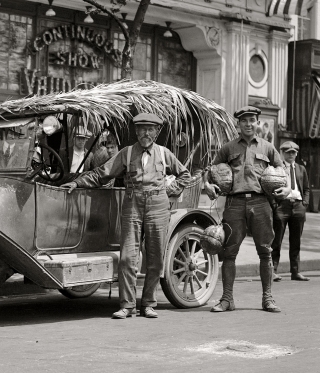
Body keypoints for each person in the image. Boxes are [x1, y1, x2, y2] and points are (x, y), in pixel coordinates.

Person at [62, 113, 191, 319]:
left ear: (156, 132)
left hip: (158, 206)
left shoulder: (164, 153)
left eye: (150, 129)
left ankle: (148, 303)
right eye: (141, 129)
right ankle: (127, 305)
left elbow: (185, 174)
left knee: (155, 257)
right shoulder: (127, 153)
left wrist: (169, 190)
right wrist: (78, 182)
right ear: (136, 132)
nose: (145, 133)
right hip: (132, 204)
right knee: (127, 258)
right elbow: (102, 173)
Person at [203, 106, 287, 313]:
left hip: (261, 203)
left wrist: (285, 189)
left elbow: (282, 171)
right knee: (229, 253)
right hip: (234, 204)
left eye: (252, 120)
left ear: (257, 123)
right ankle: (227, 299)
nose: (248, 124)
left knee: (265, 252)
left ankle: (268, 299)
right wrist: (208, 185)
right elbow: (210, 171)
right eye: (244, 121)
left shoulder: (267, 147)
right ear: (238, 125)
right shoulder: (228, 148)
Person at [271, 141, 310, 282]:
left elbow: (306, 189)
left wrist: (304, 203)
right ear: (282, 153)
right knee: (276, 240)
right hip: (282, 206)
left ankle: (296, 272)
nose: (291, 155)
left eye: (293, 152)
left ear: (297, 154)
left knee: (296, 241)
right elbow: (270, 188)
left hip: (298, 206)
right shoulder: (277, 169)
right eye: (288, 152)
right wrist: (275, 205)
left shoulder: (301, 169)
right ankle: (273, 271)